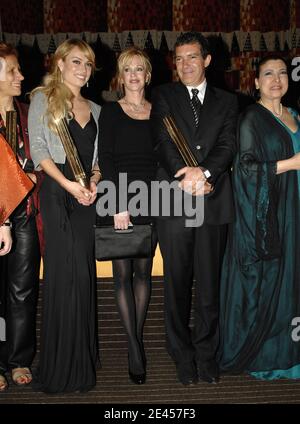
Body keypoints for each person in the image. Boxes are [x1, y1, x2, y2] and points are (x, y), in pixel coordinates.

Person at [150, 32, 238, 385]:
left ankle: (206, 353)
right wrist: (183, 174)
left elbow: (228, 142)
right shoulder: (164, 95)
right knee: (176, 282)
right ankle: (181, 354)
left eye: (192, 57)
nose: (184, 64)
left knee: (209, 285)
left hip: (213, 200)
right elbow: (161, 140)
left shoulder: (228, 101)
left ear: (207, 60)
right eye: (179, 58)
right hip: (173, 198)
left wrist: (205, 172)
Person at [219, 55, 300, 380]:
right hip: (266, 216)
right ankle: (262, 354)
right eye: (268, 74)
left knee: (292, 285)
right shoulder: (251, 119)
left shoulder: (295, 116)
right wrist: (289, 164)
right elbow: (246, 169)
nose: (276, 79)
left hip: (294, 210)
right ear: (255, 82)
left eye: (282, 73)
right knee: (269, 283)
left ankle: (290, 352)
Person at [28, 39, 101, 393]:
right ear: (59, 63)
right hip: (57, 193)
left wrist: (94, 183)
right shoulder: (43, 98)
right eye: (76, 62)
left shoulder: (97, 108)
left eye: (87, 64)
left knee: (84, 276)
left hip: (85, 197)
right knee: (63, 276)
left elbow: (98, 161)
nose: (83, 70)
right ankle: (59, 367)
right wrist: (70, 186)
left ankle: (82, 365)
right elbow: (40, 151)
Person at [98, 47, 157, 385]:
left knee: (143, 275)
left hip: (153, 200)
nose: (134, 75)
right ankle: (134, 347)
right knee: (123, 277)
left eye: (139, 69)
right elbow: (106, 159)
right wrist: (118, 204)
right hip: (119, 200)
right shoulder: (111, 111)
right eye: (127, 69)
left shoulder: (159, 110)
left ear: (148, 75)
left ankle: (135, 339)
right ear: (121, 77)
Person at [0, 43, 41, 392]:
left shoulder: (28, 112)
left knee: (22, 291)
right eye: (12, 70)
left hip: (25, 214)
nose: (21, 76)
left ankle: (18, 359)